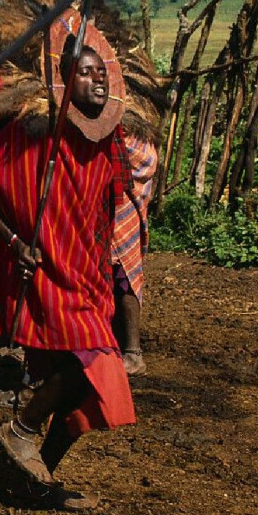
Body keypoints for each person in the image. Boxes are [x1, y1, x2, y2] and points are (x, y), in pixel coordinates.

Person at [0, 25, 136, 512]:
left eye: (100, 72)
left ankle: (34, 482)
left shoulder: (109, 139)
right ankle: (19, 428)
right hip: (49, 273)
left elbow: (107, 206)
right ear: (63, 81)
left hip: (89, 277)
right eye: (83, 73)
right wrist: (15, 242)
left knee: (85, 386)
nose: (96, 81)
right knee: (94, 363)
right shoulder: (34, 136)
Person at [112, 135, 158, 376]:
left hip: (122, 206)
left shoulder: (133, 129)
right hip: (110, 204)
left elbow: (145, 161)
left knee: (124, 275)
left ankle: (132, 352)